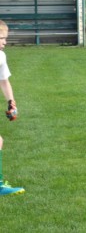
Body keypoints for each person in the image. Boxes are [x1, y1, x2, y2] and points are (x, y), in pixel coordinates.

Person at [0, 20, 25, 196]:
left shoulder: (1, 56)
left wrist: (11, 101)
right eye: (1, 38)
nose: (5, 42)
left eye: (5, 38)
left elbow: (4, 81)